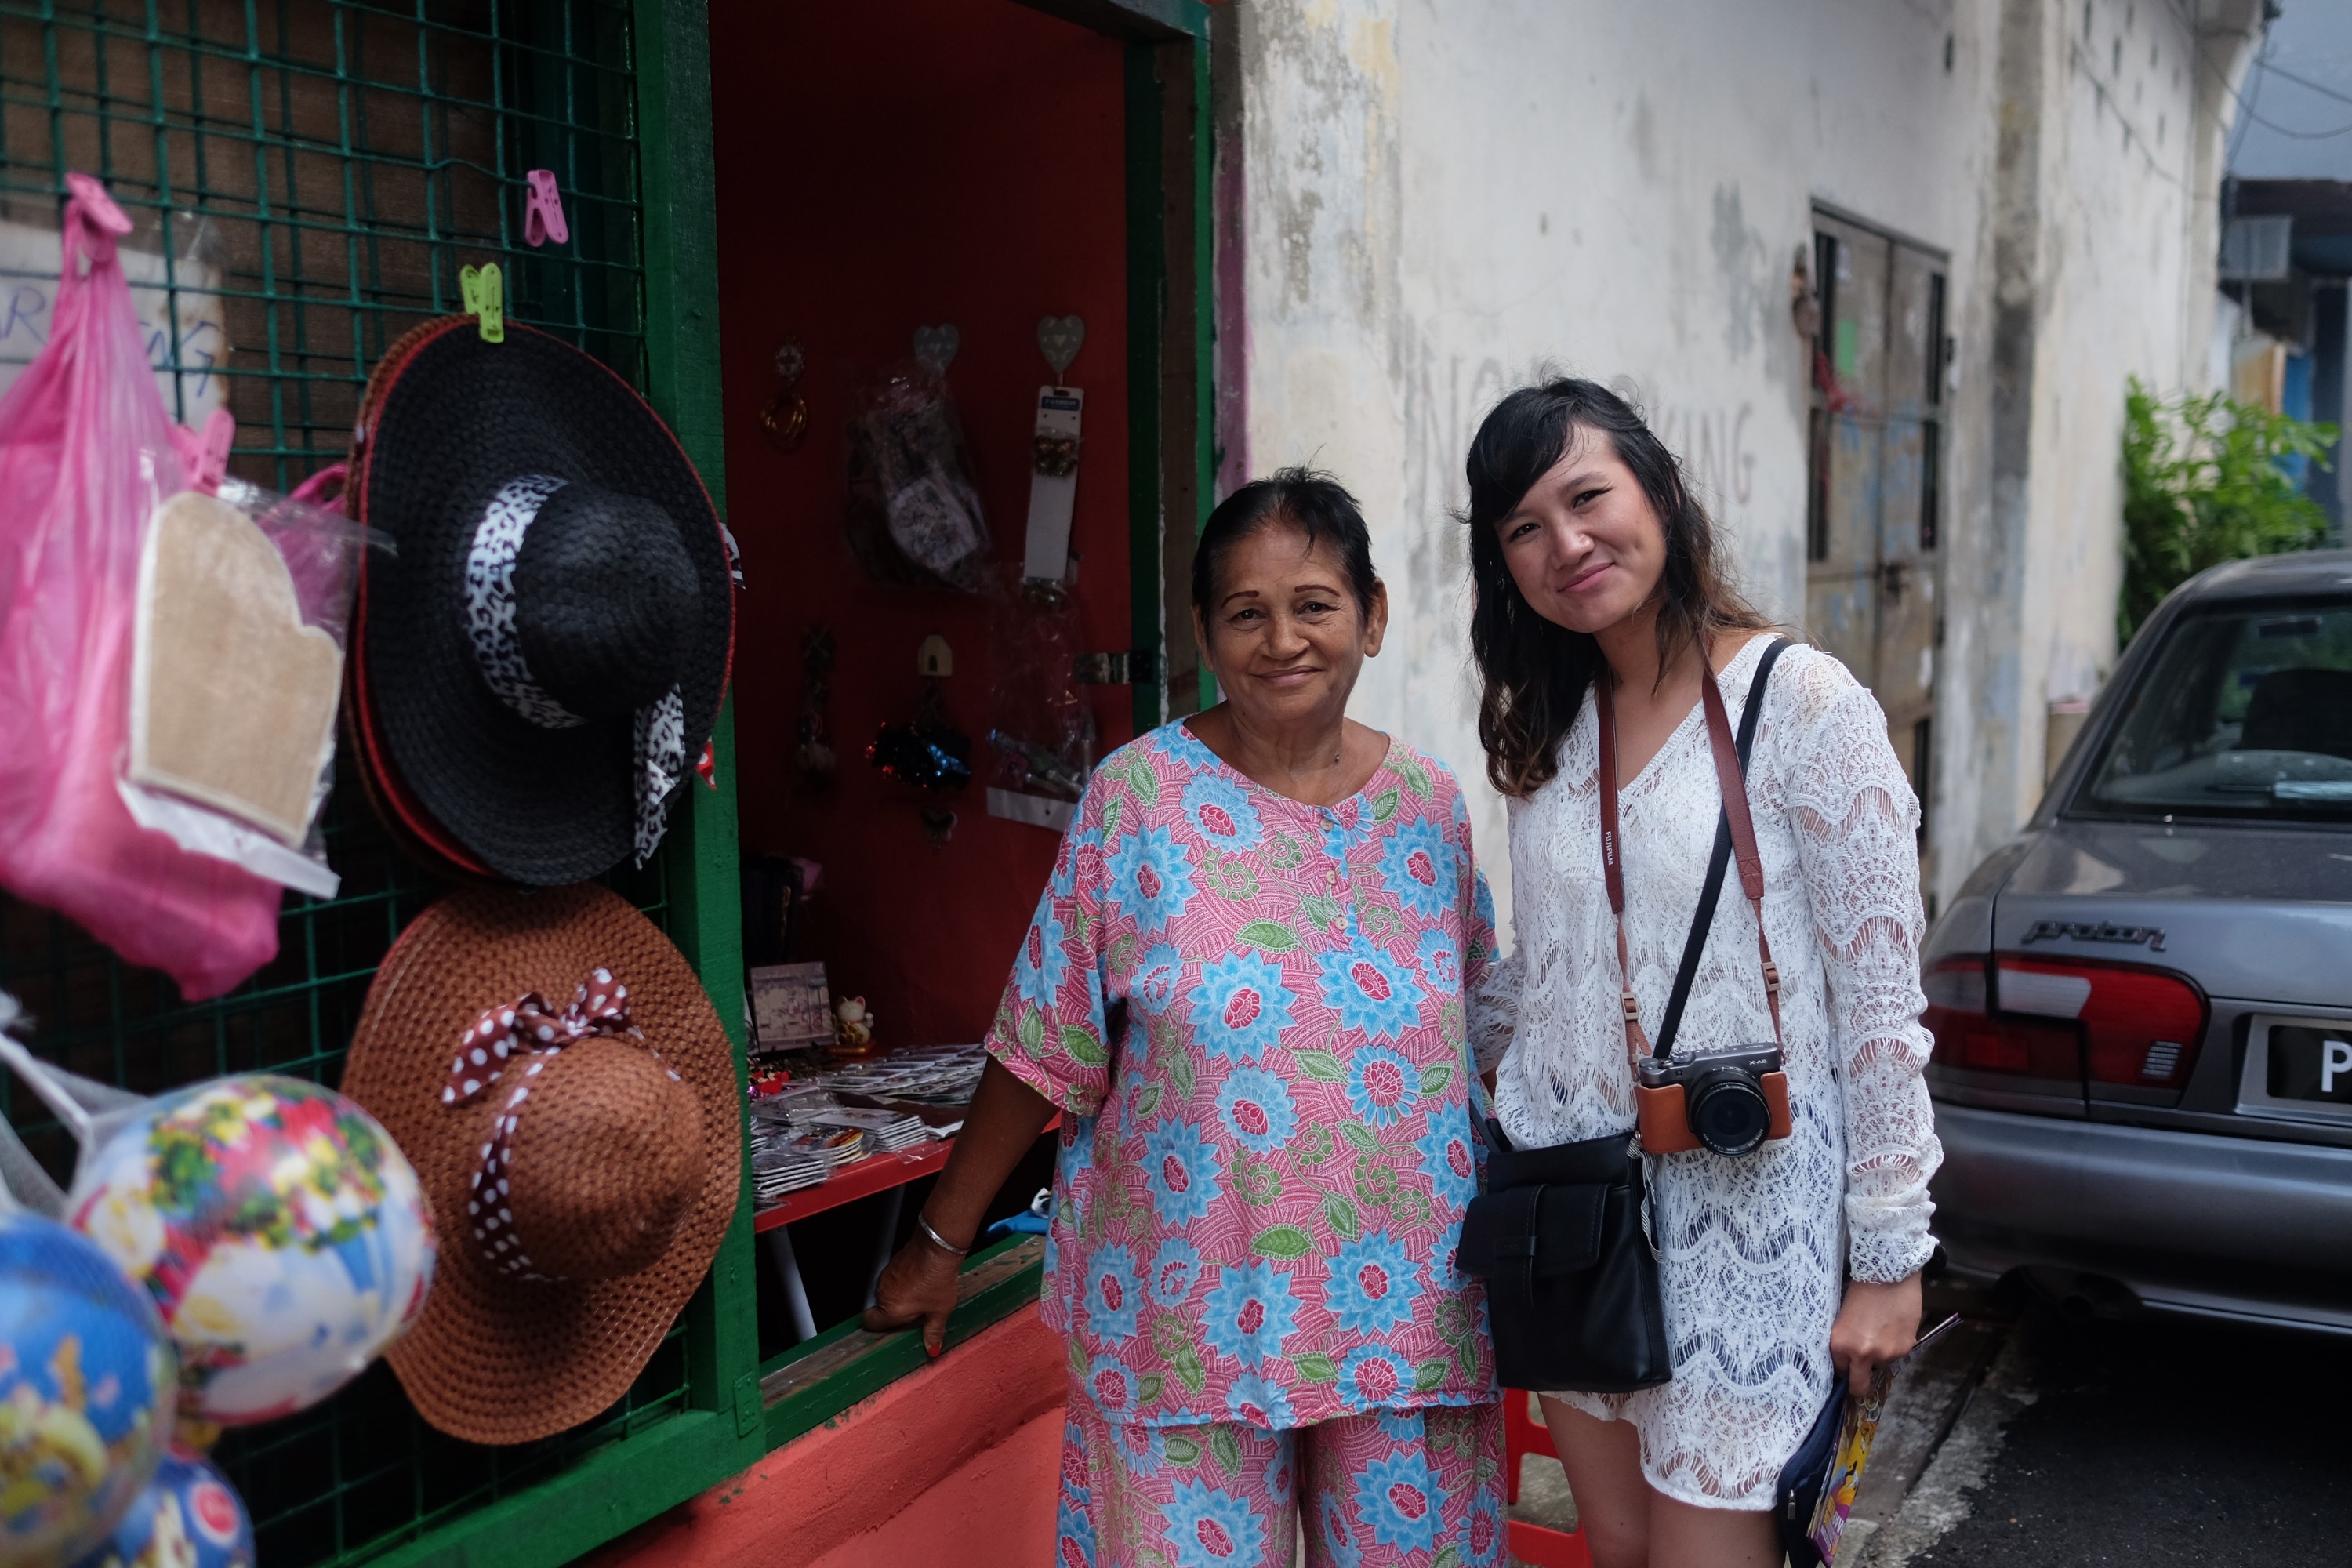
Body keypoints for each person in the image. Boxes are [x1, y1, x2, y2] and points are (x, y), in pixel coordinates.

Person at [866, 470, 1508, 1568]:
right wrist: (938, 1243)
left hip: (1411, 1314)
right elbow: (1044, 1044)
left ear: (1372, 616)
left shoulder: (1430, 809)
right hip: (1187, 1313)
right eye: (1246, 613)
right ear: (1205, 634)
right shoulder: (1138, 801)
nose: (1283, 640)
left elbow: (1486, 1031)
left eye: (1314, 604)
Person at [1460, 380, 1941, 1568]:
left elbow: (1882, 1006)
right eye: (1524, 527)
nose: (1566, 543)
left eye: (1588, 497)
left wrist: (1890, 1260)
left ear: (1661, 493)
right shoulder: (1553, 726)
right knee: (1618, 1556)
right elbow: (1549, 973)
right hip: (1579, 1221)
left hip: (1747, 1236)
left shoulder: (1803, 703)